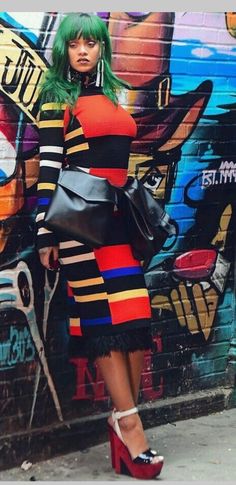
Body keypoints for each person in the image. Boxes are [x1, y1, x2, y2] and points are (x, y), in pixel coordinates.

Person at [36, 12, 164, 479]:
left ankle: (121, 421)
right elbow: (49, 173)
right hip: (80, 230)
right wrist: (46, 233)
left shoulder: (114, 96)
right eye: (75, 45)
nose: (84, 51)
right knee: (104, 324)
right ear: (64, 51)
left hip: (119, 225)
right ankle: (131, 427)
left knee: (132, 320)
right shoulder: (57, 101)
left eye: (91, 43)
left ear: (102, 50)